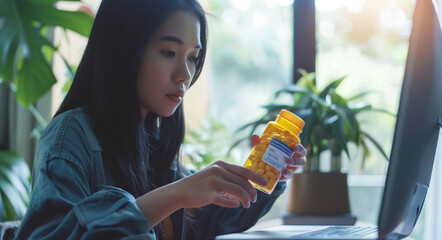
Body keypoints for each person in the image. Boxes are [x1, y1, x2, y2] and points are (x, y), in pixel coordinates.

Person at [15, 0, 307, 239]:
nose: (185, 74)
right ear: (124, 49)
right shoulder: (70, 139)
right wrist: (175, 194)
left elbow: (208, 221)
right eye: (169, 52)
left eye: (193, 57)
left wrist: (272, 172)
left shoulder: (153, 144)